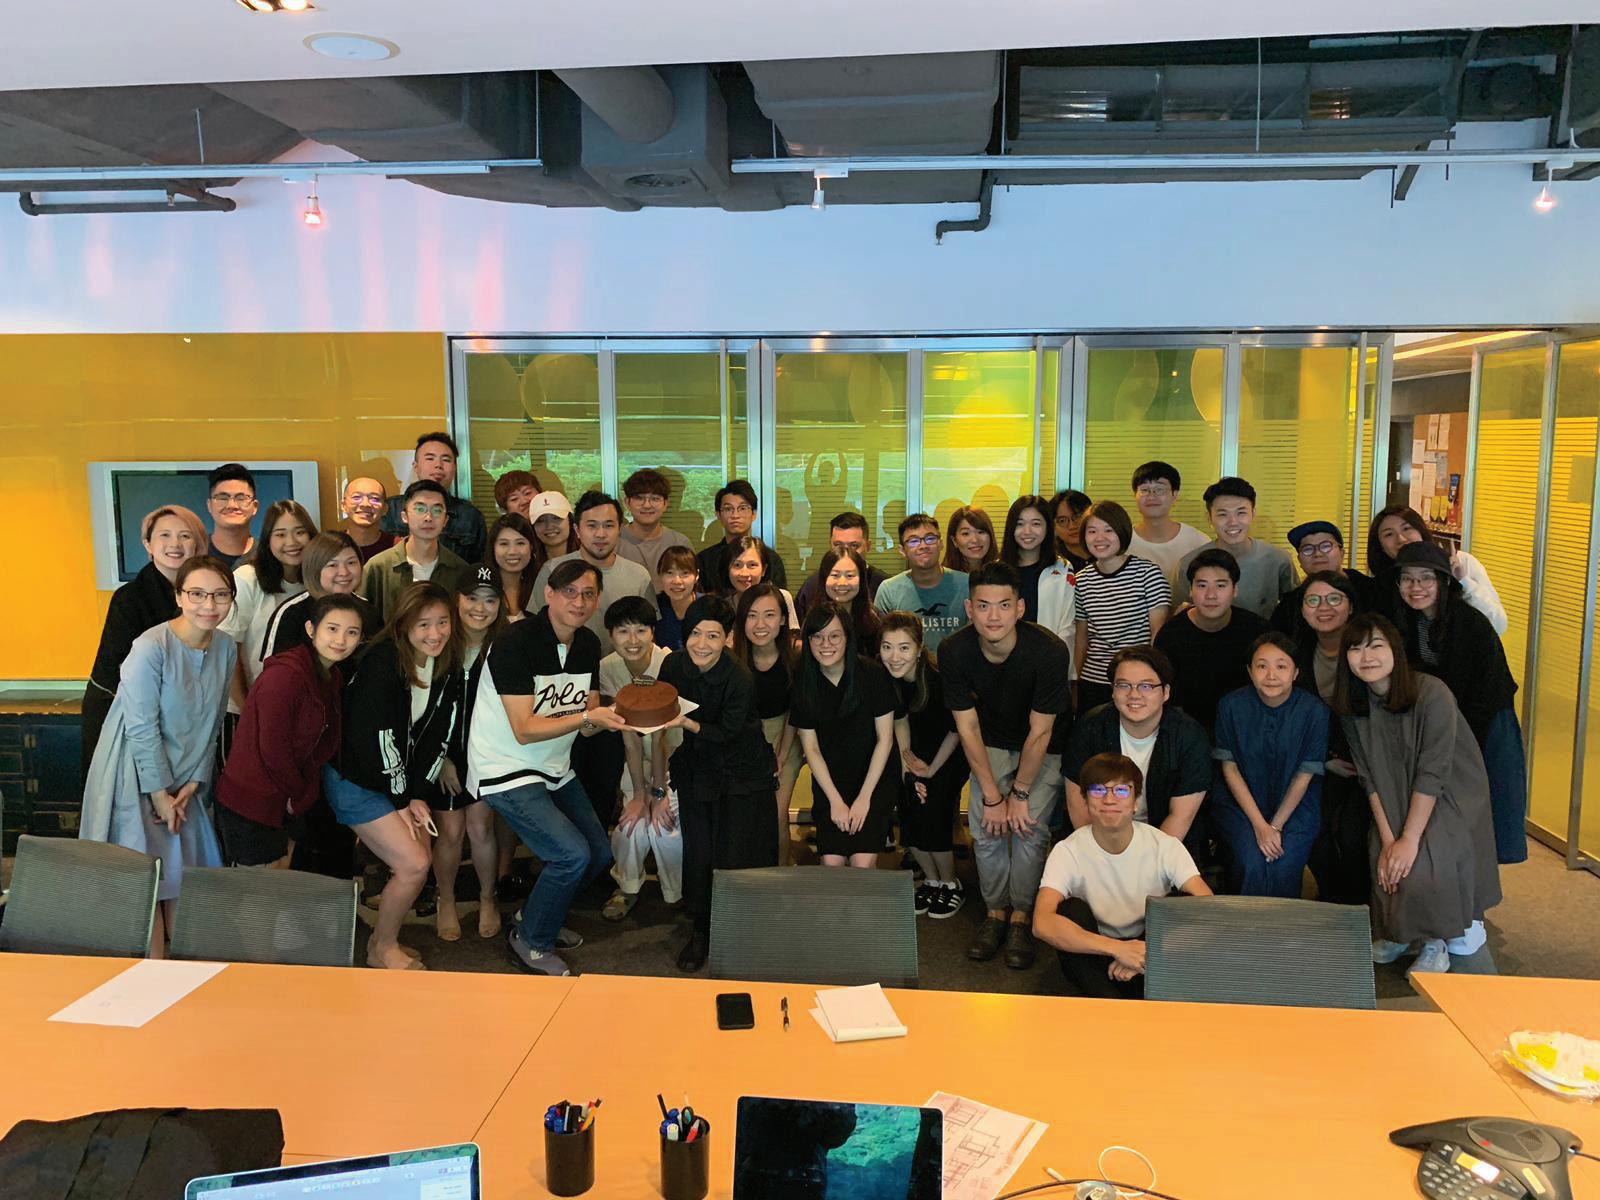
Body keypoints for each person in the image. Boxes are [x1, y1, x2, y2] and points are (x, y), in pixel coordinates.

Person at [467, 559, 627, 976]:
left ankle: (532, 918)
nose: (579, 601)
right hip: (505, 767)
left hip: (554, 765)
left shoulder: (587, 643)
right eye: (569, 592)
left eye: (588, 594)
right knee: (570, 855)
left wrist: (630, 718)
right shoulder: (514, 641)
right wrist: (590, 717)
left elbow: (588, 717)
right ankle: (532, 942)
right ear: (549, 595)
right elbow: (524, 729)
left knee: (597, 854)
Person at [80, 556, 238, 954]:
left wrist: (196, 780)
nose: (209, 605)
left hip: (187, 774)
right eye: (197, 594)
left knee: (186, 872)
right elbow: (141, 727)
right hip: (136, 771)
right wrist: (158, 793)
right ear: (179, 597)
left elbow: (215, 717)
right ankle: (154, 965)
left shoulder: (225, 647)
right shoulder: (150, 647)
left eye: (220, 595)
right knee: (146, 876)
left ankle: (184, 968)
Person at [1335, 614, 1502, 975]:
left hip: (1449, 794)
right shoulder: (1352, 705)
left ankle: (1435, 940)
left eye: (1376, 646)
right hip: (1391, 791)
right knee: (1383, 857)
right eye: (1356, 648)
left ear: (1395, 649)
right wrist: (1388, 838)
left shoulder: (1432, 693)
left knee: (1425, 857)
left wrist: (1408, 839)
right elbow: (1368, 777)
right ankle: (1404, 932)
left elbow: (1433, 771)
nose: (1367, 657)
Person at [938, 562, 1072, 970]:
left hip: (1042, 746)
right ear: (969, 608)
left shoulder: (1049, 651)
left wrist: (1020, 793)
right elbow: (967, 727)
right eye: (983, 606)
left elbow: (1041, 731)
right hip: (990, 741)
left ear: (1020, 608)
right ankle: (996, 911)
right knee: (987, 827)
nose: (993, 616)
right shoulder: (954, 650)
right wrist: (995, 798)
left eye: (1003, 605)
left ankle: (1022, 916)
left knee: (1028, 827)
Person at [326, 582, 461, 970]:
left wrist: (417, 794)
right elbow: (380, 739)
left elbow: (439, 735)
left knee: (420, 857)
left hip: (397, 781)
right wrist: (403, 800)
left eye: (442, 622)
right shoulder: (381, 662)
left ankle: (383, 942)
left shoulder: (445, 664)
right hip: (356, 779)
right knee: (414, 863)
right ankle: (382, 948)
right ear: (403, 625)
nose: (434, 633)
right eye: (423, 624)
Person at [658, 596, 782, 972]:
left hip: (742, 770)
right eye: (695, 633)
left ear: (727, 638)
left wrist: (686, 723)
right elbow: (660, 706)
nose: (702, 644)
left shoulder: (738, 676)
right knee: (699, 850)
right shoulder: (673, 665)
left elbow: (729, 732)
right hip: (697, 768)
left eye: (713, 636)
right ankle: (700, 928)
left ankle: (740, 929)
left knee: (736, 852)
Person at [1391, 541, 1527, 865]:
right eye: (1408, 579)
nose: (1416, 587)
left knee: (1489, 803)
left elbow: (1482, 686)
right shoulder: (1407, 621)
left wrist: (1457, 736)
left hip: (1485, 719)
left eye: (1426, 578)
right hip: (1445, 719)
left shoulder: (1469, 621)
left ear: (1443, 581)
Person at [1033, 753, 1211, 1000]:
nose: (1109, 799)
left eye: (1121, 790)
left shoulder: (1164, 845)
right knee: (1068, 910)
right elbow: (1041, 922)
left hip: (1151, 947)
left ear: (1136, 801)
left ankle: (1140, 990)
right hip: (1095, 950)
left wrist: (1146, 952)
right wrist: (1118, 949)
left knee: (1184, 903)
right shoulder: (1067, 850)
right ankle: (1108, 1000)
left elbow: (1211, 913)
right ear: (1085, 799)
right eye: (1098, 790)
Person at [214, 594, 364, 870]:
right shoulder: (285, 676)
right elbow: (273, 748)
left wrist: (302, 795)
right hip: (253, 802)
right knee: (256, 889)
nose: (341, 640)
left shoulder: (330, 676)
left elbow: (324, 742)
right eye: (332, 628)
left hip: (288, 799)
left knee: (280, 882)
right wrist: (299, 794)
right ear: (311, 629)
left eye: (351, 632)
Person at [81, 505, 207, 774]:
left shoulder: (203, 596)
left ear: (197, 545)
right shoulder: (129, 598)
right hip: (123, 712)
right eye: (164, 535)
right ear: (148, 544)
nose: (175, 544)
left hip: (180, 715)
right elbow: (125, 671)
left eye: (185, 536)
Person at [1063, 647, 1212, 860]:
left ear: (1166, 692)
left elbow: (1180, 817)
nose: (1134, 695)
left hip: (1166, 844)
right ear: (1113, 690)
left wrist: (1143, 866)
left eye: (1146, 686)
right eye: (1123, 685)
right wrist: (1102, 857)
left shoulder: (1190, 736)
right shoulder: (1090, 727)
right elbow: (1077, 803)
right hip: (1098, 841)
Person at [1210, 632, 1328, 897]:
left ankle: (1282, 924)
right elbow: (1229, 768)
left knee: (1283, 862)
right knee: (1250, 860)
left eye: (1281, 666)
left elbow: (1304, 775)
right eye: (1262, 666)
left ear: (1295, 673)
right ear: (1250, 672)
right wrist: (1260, 826)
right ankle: (1243, 922)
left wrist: (1275, 826)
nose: (1271, 675)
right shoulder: (1231, 705)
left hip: (1296, 806)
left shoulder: (1314, 711)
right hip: (1240, 804)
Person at [791, 602, 899, 870]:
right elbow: (811, 749)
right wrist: (835, 801)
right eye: (817, 636)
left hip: (873, 779)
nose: (825, 644)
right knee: (831, 863)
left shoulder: (872, 674)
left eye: (834, 636)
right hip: (830, 782)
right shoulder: (804, 681)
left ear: (848, 638)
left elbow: (885, 740)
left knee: (862, 864)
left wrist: (864, 798)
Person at [433, 566, 508, 942]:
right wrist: (441, 758)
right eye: (472, 598)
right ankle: (445, 899)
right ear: (456, 599)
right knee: (450, 830)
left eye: (490, 600)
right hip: (442, 756)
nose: (480, 608)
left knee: (481, 828)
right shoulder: (438, 641)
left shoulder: (506, 645)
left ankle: (487, 898)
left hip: (487, 755)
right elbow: (423, 711)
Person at [597, 596, 684, 920]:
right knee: (632, 825)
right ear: (611, 636)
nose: (632, 640)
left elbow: (662, 737)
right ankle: (627, 887)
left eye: (641, 630)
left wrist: (657, 793)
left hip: (675, 760)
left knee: (664, 828)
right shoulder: (608, 668)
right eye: (623, 631)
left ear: (652, 632)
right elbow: (629, 736)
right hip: (635, 760)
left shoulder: (670, 664)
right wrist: (638, 794)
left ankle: (677, 890)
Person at [1292, 571, 1372, 906]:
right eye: (1313, 600)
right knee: (1313, 831)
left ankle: (1359, 907)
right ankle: (1333, 900)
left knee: (1354, 835)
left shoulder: (1370, 650)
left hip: (1367, 763)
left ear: (1350, 606)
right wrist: (1324, 759)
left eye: (1334, 599)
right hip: (1318, 760)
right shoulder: (1296, 653)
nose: (1323, 607)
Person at [879, 612, 965, 918]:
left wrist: (930, 771)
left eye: (904, 647)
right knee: (908, 815)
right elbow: (897, 725)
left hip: (946, 757)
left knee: (933, 816)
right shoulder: (885, 680)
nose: (894, 656)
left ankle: (950, 883)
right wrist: (909, 772)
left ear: (918, 648)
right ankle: (931, 880)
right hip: (911, 758)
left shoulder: (938, 680)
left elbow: (957, 731)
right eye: (887, 647)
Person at [1154, 547, 1268, 732]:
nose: (1211, 595)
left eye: (1221, 585)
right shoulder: (1171, 636)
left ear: (1235, 590)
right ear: (1190, 590)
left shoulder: (1257, 630)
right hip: (1189, 731)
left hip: (1247, 728)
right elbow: (1167, 702)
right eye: (1202, 585)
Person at [1073, 500, 1171, 713]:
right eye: (1092, 531)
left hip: (1136, 681)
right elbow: (1081, 636)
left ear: (1122, 531)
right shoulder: (1081, 580)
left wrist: (1152, 679)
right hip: (1093, 679)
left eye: (1109, 530)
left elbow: (1158, 634)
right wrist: (1075, 681)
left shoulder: (1148, 574)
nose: (1100, 538)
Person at [531, 490, 655, 654]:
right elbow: (534, 628)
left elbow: (650, 633)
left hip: (621, 667)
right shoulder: (553, 570)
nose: (600, 534)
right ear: (577, 530)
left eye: (609, 525)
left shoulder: (639, 576)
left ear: (620, 529)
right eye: (592, 526)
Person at [732, 583, 802, 864]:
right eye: (752, 615)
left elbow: (795, 714)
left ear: (783, 619)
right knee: (744, 815)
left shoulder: (796, 659)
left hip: (785, 738)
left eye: (769, 615)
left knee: (776, 815)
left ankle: (780, 872)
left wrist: (781, 755)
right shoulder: (731, 659)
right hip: (743, 741)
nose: (760, 624)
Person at [220, 499, 316, 690]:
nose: (292, 542)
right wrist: (246, 703)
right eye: (280, 534)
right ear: (267, 540)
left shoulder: (316, 583)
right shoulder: (247, 579)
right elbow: (227, 649)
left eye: (300, 532)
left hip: (297, 695)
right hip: (250, 696)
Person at [1368, 504, 1508, 633]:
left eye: (1407, 528)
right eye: (1389, 534)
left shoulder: (1461, 563)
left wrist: (1463, 582)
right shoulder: (1385, 583)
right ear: (1381, 546)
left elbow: (1497, 624)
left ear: (1421, 531)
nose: (1401, 538)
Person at [1174, 477, 1295, 618]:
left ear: (1253, 514)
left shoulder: (1278, 559)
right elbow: (1180, 615)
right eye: (1223, 514)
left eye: (1241, 513)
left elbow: (1294, 611)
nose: (1233, 522)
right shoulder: (1188, 564)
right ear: (1209, 518)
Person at [361, 480, 468, 626]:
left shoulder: (460, 569)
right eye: (420, 509)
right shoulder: (378, 567)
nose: (428, 517)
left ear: (445, 520)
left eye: (437, 511)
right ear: (404, 516)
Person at [258, 531, 371, 664]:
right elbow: (276, 669)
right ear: (314, 568)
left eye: (351, 563)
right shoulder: (292, 613)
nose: (344, 572)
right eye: (332, 565)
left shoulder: (367, 610)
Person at [380, 431, 487, 564]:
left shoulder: (470, 516)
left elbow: (479, 567)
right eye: (430, 458)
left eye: (446, 460)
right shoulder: (390, 510)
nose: (438, 465)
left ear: (455, 468)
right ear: (416, 467)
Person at [874, 513, 971, 655]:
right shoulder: (889, 590)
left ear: (941, 544)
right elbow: (882, 643)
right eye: (913, 541)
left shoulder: (967, 584)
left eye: (930, 538)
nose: (923, 546)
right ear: (902, 550)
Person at [1270, 520, 1378, 634]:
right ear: (1299, 560)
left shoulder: (1371, 591)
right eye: (1307, 549)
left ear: (1342, 553)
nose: (1318, 554)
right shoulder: (1290, 605)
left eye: (1326, 546)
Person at [1000, 495, 1076, 641]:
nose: (1027, 531)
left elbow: (1068, 625)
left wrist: (1054, 652)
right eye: (1020, 524)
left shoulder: (1062, 569)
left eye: (1036, 524)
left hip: (1050, 651)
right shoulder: (998, 569)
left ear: (1048, 527)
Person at [1126, 462, 1210, 589]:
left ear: (1175, 494)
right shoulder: (1121, 542)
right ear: (1135, 495)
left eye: (1160, 489)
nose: (1151, 496)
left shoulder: (1199, 542)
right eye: (1144, 490)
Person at [698, 479, 788, 589]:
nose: (735, 515)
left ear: (754, 514)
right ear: (718, 515)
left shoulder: (771, 559)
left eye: (742, 508)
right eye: (728, 509)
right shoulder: (705, 560)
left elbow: (779, 597)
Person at [793, 512, 887, 614]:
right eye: (838, 545)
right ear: (830, 545)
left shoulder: (884, 586)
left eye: (854, 546)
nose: (846, 552)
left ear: (868, 546)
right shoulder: (812, 585)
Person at [618, 467, 694, 583]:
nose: (647, 505)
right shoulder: (614, 542)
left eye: (655, 499)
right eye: (639, 498)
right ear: (627, 503)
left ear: (665, 504)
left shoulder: (680, 542)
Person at [720, 534, 800, 625]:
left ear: (764, 570)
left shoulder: (783, 598)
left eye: (752, 565)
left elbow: (792, 633)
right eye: (737, 565)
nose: (744, 573)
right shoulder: (723, 608)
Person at [814, 545, 881, 645]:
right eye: (835, 575)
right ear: (824, 579)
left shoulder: (875, 622)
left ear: (861, 580)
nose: (842, 583)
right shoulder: (813, 620)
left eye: (850, 575)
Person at [486, 513, 537, 621]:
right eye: (504, 544)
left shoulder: (541, 587)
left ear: (531, 547)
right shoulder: (482, 588)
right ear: (493, 548)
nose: (512, 551)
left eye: (520, 543)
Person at [205, 463, 257, 568]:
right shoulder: (194, 552)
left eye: (241, 498)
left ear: (255, 507)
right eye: (222, 498)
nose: (232, 505)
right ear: (209, 505)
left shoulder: (270, 555)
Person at [339, 476, 396, 565]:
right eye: (356, 497)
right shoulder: (328, 546)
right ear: (343, 505)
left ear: (385, 508)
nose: (365, 504)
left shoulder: (397, 547)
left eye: (374, 499)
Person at [655, 544, 700, 652]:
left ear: (697, 575)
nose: (677, 581)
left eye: (685, 573)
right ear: (660, 575)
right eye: (670, 573)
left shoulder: (710, 607)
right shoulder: (654, 607)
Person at [527, 490, 579, 575]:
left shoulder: (589, 559)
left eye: (556, 518)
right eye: (541, 520)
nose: (549, 526)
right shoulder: (528, 567)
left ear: (570, 521)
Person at [944, 504, 999, 574]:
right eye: (966, 533)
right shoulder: (942, 576)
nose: (975, 540)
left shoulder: (1003, 574)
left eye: (981, 532)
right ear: (954, 540)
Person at [1048, 489, 1093, 570]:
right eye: (1062, 521)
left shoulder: (1107, 551)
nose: (1072, 526)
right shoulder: (1050, 561)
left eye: (1077, 516)